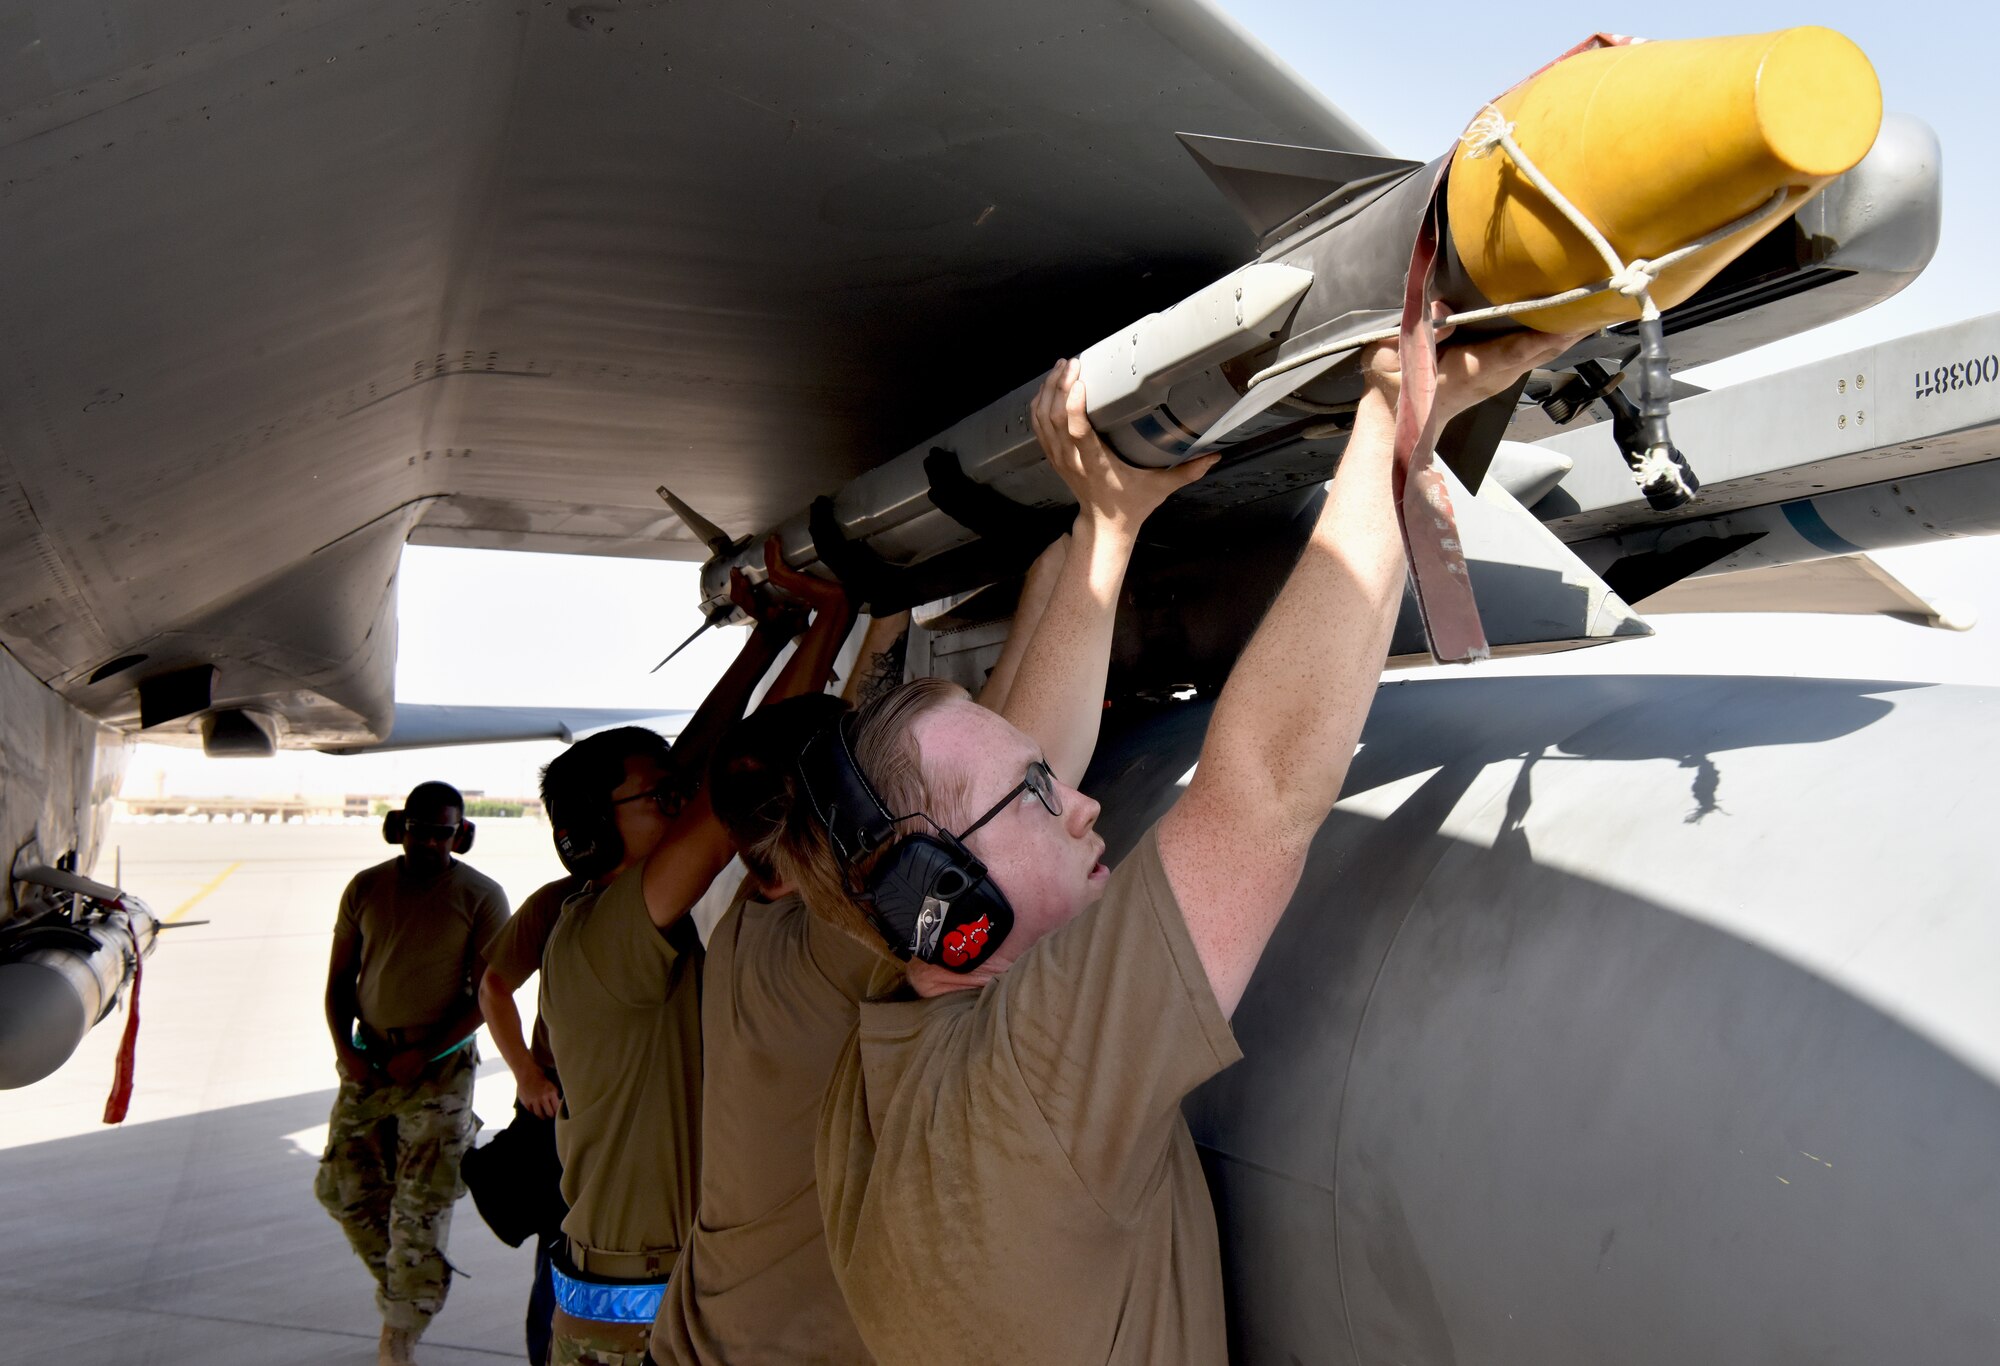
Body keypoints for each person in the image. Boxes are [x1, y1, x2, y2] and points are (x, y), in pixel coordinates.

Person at [779, 328, 1577, 1363]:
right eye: (1033, 796)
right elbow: (1261, 791)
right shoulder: (1025, 1081)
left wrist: (1106, 535)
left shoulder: (892, 1040)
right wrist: (1394, 419)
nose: (1080, 803)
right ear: (944, 899)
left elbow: (1019, 756)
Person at [649, 534, 1070, 1366]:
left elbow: (811, 755)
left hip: (708, 1340)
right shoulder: (838, 942)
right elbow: (1002, 773)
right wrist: (1065, 560)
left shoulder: (749, 911)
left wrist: (874, 610)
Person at [538, 543, 855, 1366]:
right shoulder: (608, 934)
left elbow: (702, 763)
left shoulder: (605, 918)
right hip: (633, 1315)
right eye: (660, 799)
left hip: (642, 1292)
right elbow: (728, 796)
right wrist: (833, 616)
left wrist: (770, 635)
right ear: (594, 832)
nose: (680, 799)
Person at [317, 780, 510, 1366]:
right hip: (369, 1062)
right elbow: (339, 981)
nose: (428, 842)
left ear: (462, 835)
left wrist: (423, 1053)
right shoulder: (367, 887)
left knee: (419, 1210)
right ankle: (413, 1287)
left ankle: (399, 1333)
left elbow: (487, 995)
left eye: (442, 833)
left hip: (440, 1073)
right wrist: (347, 1052)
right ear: (398, 827)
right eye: (419, 830)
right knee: (342, 1190)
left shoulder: (481, 895)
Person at [474, 867, 583, 1366]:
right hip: (560, 1106)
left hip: (645, 1103)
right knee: (559, 1257)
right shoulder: (560, 900)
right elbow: (493, 984)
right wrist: (526, 1073)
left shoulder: (686, 887)